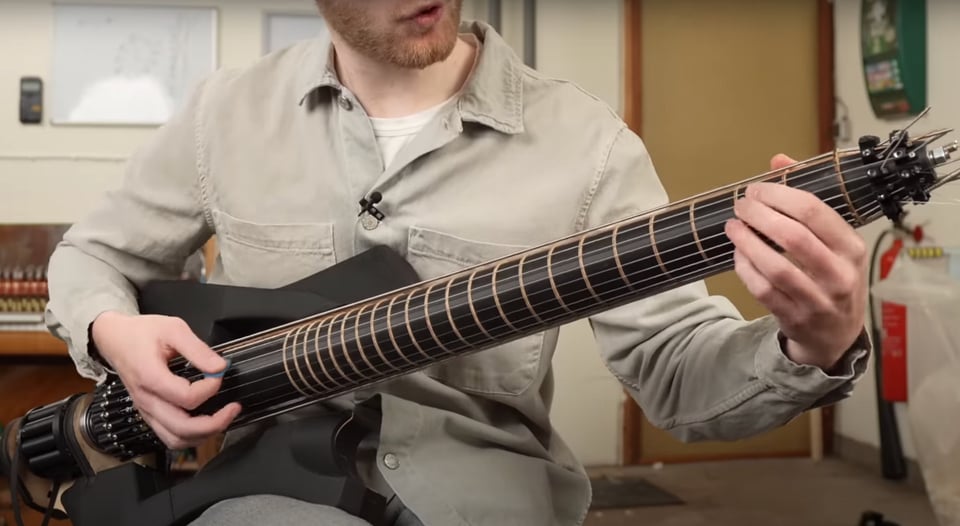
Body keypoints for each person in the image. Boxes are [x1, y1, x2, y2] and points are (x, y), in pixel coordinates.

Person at [43, 1, 871, 525]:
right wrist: (112, 331)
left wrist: (811, 345)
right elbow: (90, 256)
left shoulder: (587, 144)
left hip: (487, 502)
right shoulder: (222, 114)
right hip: (266, 492)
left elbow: (677, 372)